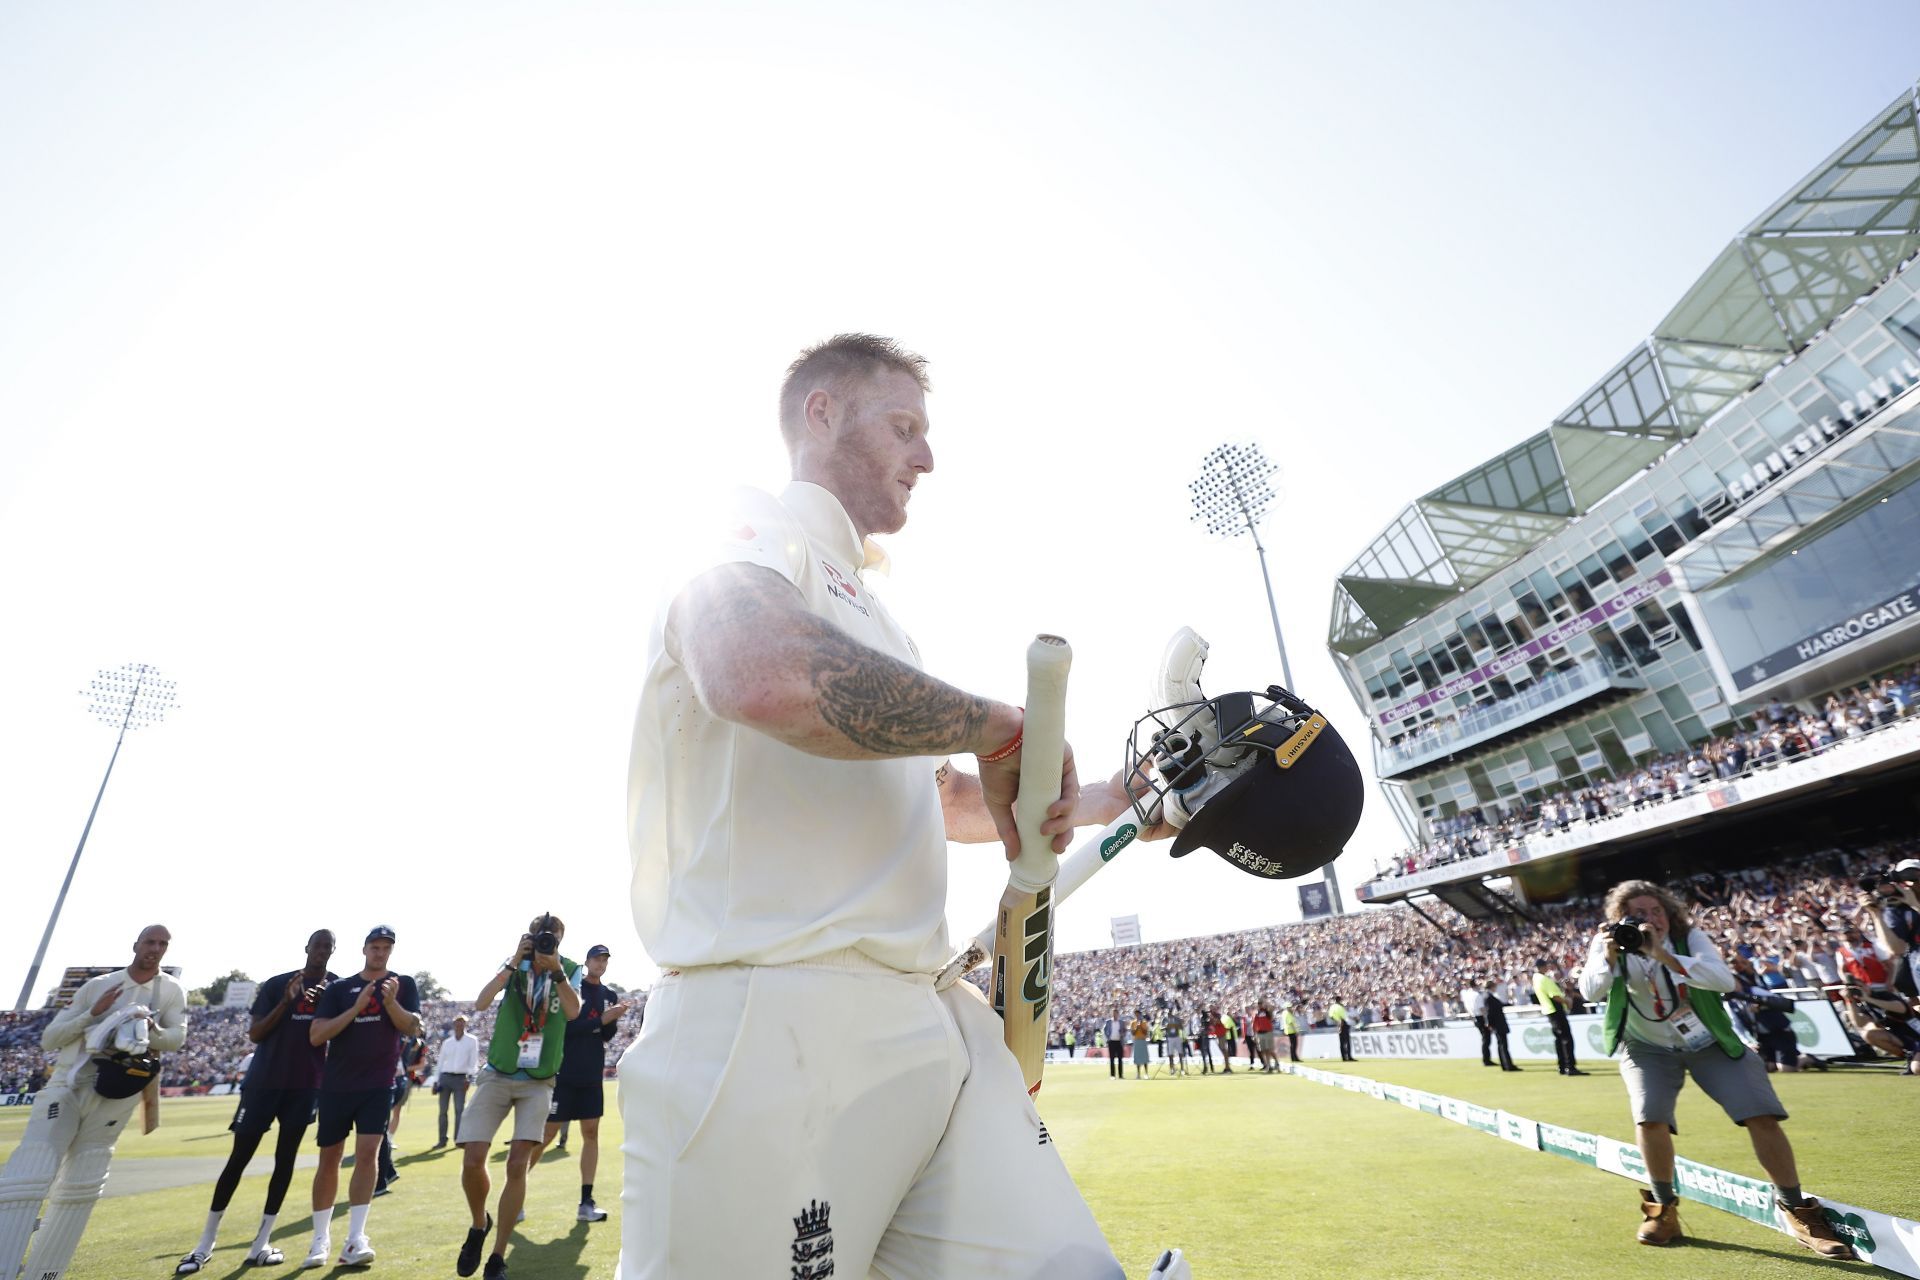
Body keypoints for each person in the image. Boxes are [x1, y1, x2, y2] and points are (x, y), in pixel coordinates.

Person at [619, 334, 1184, 1279]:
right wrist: (996, 724)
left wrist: (1114, 798)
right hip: (771, 1022)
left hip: (929, 1022)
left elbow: (934, 802)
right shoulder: (742, 531)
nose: (927, 458)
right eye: (905, 427)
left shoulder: (884, 617)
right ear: (822, 413)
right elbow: (759, 673)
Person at [1577, 880, 1850, 1256]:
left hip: (1708, 1040)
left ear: (1668, 913)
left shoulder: (1691, 937)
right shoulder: (1607, 942)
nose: (1650, 919)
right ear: (1622, 916)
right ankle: (1662, 1209)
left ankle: (1797, 1210)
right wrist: (1608, 957)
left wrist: (1663, 955)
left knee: (1761, 1114)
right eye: (1639, 913)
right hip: (1647, 1046)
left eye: (1656, 911)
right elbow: (1590, 992)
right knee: (1649, 1117)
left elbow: (1723, 980)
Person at [0, 925, 187, 1280]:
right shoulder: (99, 986)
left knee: (83, 1183)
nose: (156, 948)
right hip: (69, 1085)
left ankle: (45, 1273)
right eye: (150, 941)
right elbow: (49, 1037)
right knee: (32, 1169)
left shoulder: (171, 991)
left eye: (163, 944)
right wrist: (95, 1015)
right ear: (136, 944)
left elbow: (177, 1039)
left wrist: (149, 1028)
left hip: (118, 1092)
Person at [176, 928, 336, 1274]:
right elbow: (256, 1033)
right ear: (306, 947)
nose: (322, 950)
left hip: (306, 1086)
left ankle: (260, 1243)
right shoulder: (279, 983)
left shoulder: (336, 988)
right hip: (263, 1083)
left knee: (285, 1162)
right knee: (238, 1159)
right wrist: (287, 1001)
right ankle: (205, 1243)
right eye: (317, 944)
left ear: (333, 951)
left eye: (328, 946)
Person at [454, 914, 582, 1280]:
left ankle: (497, 1256)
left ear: (561, 940)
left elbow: (572, 1011)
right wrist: (514, 961)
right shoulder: (515, 964)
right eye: (541, 936)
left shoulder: (569, 969)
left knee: (516, 1164)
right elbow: (480, 1003)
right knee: (473, 1158)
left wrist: (555, 970)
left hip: (539, 1080)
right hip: (498, 1071)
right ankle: (480, 1225)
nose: (546, 942)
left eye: (552, 937)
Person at [302, 925, 423, 1269]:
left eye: (386, 947)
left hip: (378, 1084)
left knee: (368, 1155)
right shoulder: (339, 988)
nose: (380, 952)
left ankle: (355, 1237)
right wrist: (356, 1007)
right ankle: (319, 1239)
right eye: (375, 946)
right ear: (364, 948)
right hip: (337, 1085)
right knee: (330, 1158)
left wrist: (389, 1002)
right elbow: (316, 1035)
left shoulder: (403, 984)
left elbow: (412, 1027)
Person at [532, 943, 631, 1224]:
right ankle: (517, 1188)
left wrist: (613, 1018)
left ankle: (586, 1201)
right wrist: (601, 1019)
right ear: (586, 962)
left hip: (591, 1074)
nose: (601, 964)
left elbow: (605, 1036)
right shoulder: (573, 989)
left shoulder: (608, 994)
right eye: (597, 959)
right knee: (547, 1134)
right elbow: (565, 1029)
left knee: (591, 1133)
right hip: (564, 1073)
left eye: (605, 960)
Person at [433, 1015, 480, 1149]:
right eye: (457, 1023)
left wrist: (470, 1077)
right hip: (445, 1077)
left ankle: (459, 1139)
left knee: (460, 1110)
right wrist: (436, 1080)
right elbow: (441, 1062)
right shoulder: (447, 1042)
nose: (460, 1025)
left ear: (465, 1024)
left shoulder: (472, 1041)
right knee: (443, 1111)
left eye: (462, 1023)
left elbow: (473, 1061)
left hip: (461, 1078)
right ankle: (442, 1139)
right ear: (454, 1024)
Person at [1533, 958, 1584, 1076]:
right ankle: (1570, 1067)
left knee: (1559, 1039)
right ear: (1542, 967)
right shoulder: (1544, 979)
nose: (1547, 968)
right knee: (1566, 1039)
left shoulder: (1536, 978)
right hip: (1556, 1010)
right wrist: (1566, 1001)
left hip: (1549, 1011)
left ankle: (1562, 1066)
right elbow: (1555, 996)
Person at [1484, 978, 1519, 1071]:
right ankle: (1508, 1065)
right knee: (1503, 1045)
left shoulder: (1490, 997)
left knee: (1501, 1045)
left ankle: (1505, 1064)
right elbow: (1489, 1012)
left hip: (1497, 1024)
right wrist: (1490, 1024)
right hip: (1498, 1024)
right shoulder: (1488, 997)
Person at [1462, 977, 1493, 1067]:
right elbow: (1482, 1009)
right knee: (1486, 1039)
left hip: (1474, 1017)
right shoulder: (1476, 995)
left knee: (1485, 1038)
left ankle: (1486, 1059)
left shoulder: (1467, 995)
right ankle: (1486, 1059)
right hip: (1480, 1017)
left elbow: (1467, 1008)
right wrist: (1487, 1020)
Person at [1329, 996, 1353, 1061]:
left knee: (1342, 1042)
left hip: (1339, 1023)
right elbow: (1343, 1016)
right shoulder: (1340, 1007)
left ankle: (1344, 1057)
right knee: (1346, 1041)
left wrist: (1337, 1022)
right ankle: (1348, 1056)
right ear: (1340, 1000)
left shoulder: (1332, 1007)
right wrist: (1340, 1022)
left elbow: (1331, 1016)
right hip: (1343, 1023)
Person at [1104, 1011, 1127, 1082]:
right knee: (1112, 1059)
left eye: (1116, 1014)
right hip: (1111, 1042)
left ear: (1118, 1014)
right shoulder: (1108, 1022)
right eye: (1113, 1014)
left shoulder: (1121, 1022)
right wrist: (1108, 1036)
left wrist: (1122, 1034)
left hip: (1119, 1042)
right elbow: (1105, 1030)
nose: (1114, 1015)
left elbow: (1124, 1030)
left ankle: (1120, 1075)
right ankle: (1112, 1075)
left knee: (1120, 1059)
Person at [1129, 1015, 1151, 1079]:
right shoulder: (1133, 1023)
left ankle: (1146, 1073)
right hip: (1136, 1041)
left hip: (1143, 1040)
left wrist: (1141, 1026)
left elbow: (1145, 1033)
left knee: (1145, 1057)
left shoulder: (1144, 1023)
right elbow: (1133, 1033)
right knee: (1137, 1058)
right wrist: (1137, 1027)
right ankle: (1138, 1074)